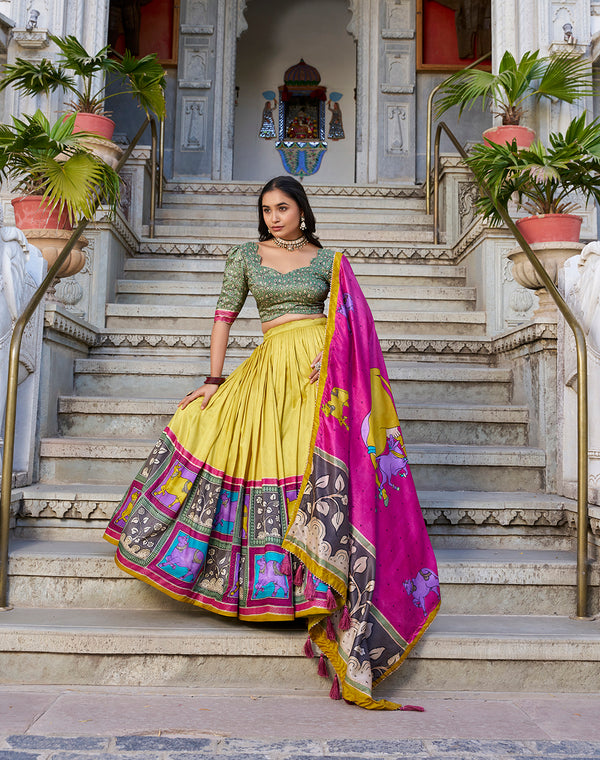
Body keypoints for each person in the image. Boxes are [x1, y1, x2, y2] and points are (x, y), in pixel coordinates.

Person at [104, 176, 440, 710]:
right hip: (267, 370)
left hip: (319, 383)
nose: (272, 218)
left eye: (282, 208)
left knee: (316, 474)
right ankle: (268, 591)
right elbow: (223, 316)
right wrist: (212, 380)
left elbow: (349, 323)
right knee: (221, 435)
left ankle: (319, 592)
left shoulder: (330, 262)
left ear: (302, 211)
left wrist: (331, 354)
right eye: (266, 210)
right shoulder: (245, 256)